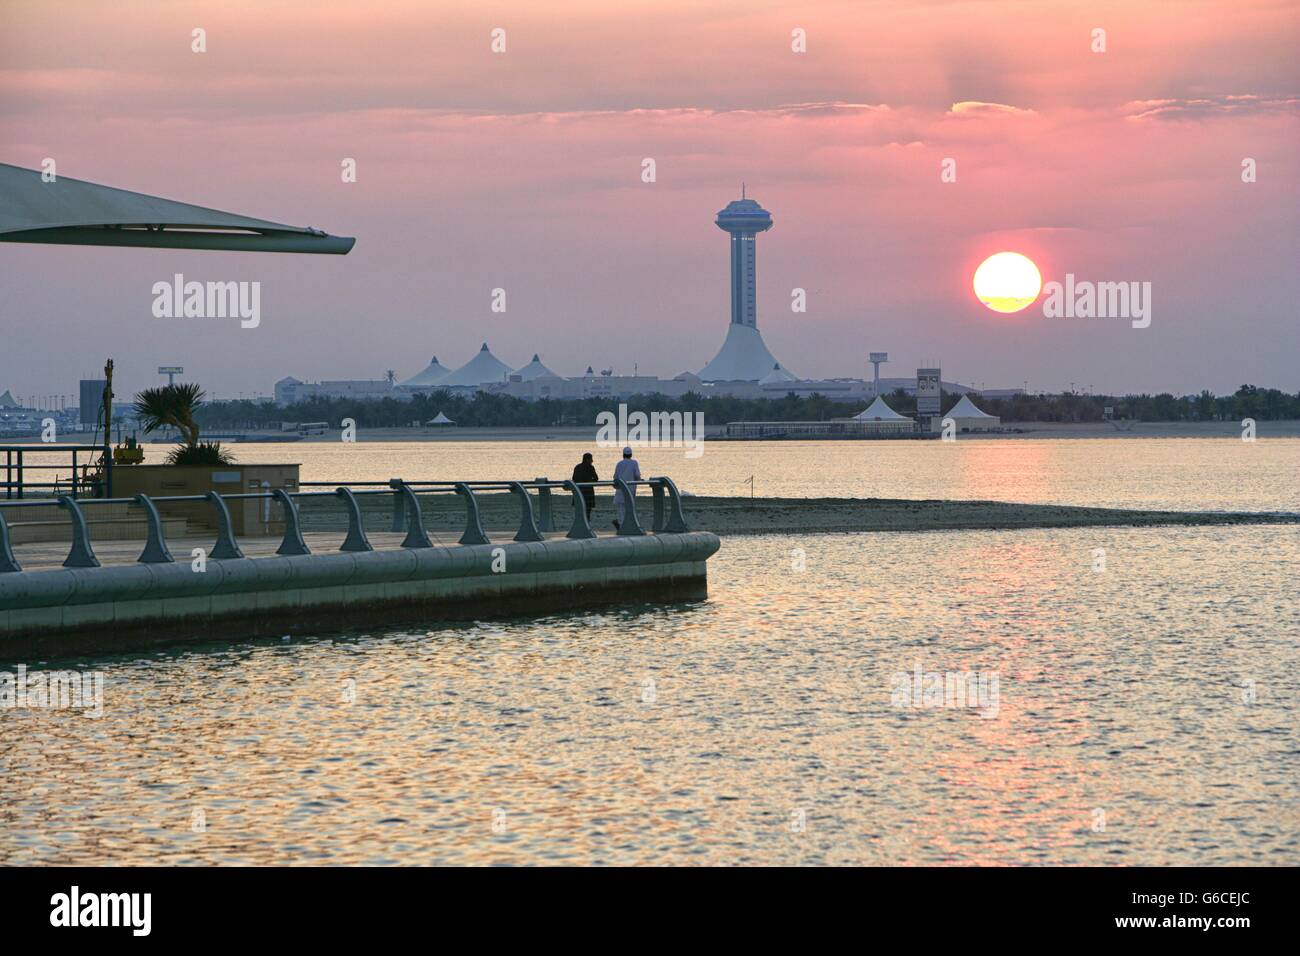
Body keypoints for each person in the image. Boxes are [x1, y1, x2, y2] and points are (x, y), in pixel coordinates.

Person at [611, 445, 642, 530]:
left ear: (623, 454)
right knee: (629, 508)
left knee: (621, 508)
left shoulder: (619, 464)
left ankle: (621, 524)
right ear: (631, 455)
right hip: (630, 490)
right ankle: (624, 526)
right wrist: (639, 480)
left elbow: (615, 477)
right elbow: (637, 475)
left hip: (620, 489)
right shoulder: (634, 463)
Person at [571, 452, 598, 522]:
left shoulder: (577, 467)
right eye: (591, 459)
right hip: (588, 492)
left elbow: (573, 478)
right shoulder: (590, 467)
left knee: (579, 510)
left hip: (578, 491)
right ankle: (587, 524)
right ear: (587, 459)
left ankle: (580, 523)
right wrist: (590, 481)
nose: (592, 461)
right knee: (587, 511)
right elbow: (596, 478)